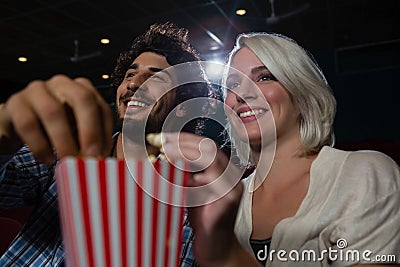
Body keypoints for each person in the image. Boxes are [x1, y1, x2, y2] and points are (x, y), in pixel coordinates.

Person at [148, 32, 400, 266]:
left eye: (264, 77)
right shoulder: (229, 200)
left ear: (301, 93)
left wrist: (227, 253)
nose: (242, 94)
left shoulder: (363, 173)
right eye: (233, 86)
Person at [0, 22, 218, 266]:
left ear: (183, 106)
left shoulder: (192, 201)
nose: (134, 84)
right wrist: (5, 135)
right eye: (131, 74)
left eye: (155, 78)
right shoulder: (65, 154)